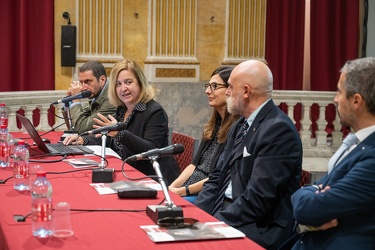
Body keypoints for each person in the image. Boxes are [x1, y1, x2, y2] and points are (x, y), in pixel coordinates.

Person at [194, 59, 302, 249]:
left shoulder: (278, 129)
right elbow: (217, 177)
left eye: (230, 87)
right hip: (229, 211)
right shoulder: (240, 125)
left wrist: (212, 224)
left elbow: (258, 199)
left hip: (259, 225)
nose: (227, 92)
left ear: (246, 91)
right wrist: (197, 216)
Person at [289, 57, 375, 249]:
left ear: (356, 101)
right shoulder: (358, 143)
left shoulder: (372, 155)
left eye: (339, 92)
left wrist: (310, 194)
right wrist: (311, 192)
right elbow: (312, 193)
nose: (335, 99)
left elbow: (307, 208)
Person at [64, 59, 180, 185]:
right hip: (128, 174)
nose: (123, 88)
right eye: (118, 84)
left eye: (128, 82)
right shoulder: (122, 109)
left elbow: (150, 150)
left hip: (153, 178)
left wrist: (120, 134)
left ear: (140, 83)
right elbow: (111, 139)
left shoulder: (154, 112)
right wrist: (84, 139)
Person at [168, 66, 241, 203]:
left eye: (214, 86)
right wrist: (172, 187)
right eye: (208, 86)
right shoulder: (214, 124)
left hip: (207, 194)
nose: (207, 91)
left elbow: (220, 176)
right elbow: (193, 165)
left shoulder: (237, 128)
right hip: (189, 188)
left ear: (230, 90)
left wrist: (182, 191)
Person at [62, 60, 117, 134]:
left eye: (88, 82)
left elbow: (80, 129)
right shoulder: (96, 95)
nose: (83, 87)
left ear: (102, 80)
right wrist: (69, 100)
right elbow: (72, 128)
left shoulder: (111, 98)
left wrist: (75, 100)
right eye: (81, 82)